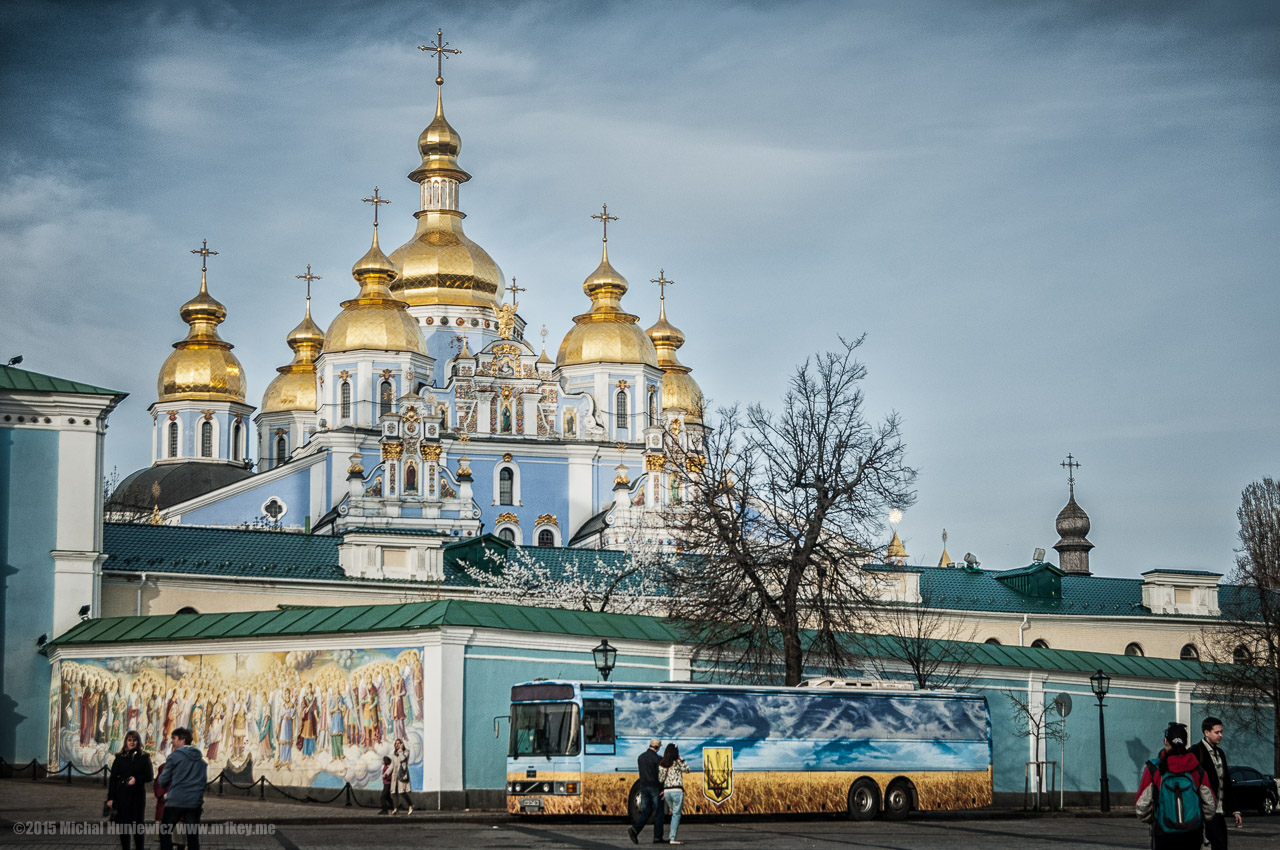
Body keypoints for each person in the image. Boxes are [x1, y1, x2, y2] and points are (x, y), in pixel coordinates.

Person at [1135, 722, 1216, 850]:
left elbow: (1141, 806)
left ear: (1166, 741)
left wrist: (1153, 819)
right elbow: (1210, 805)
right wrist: (1199, 818)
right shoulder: (1197, 769)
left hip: (1163, 832)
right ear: (1185, 742)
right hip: (1193, 833)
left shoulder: (1154, 769)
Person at [1191, 716, 1243, 849]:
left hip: (1218, 811)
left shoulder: (1220, 753)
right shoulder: (1195, 751)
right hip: (1201, 812)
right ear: (1206, 732)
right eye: (1217, 732)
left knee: (1221, 845)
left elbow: (1226, 783)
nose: (1221, 735)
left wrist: (1235, 810)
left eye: (1221, 731)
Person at [157, 727, 207, 850]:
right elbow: (203, 783)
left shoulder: (174, 757)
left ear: (182, 740)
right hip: (194, 802)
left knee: (164, 833)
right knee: (192, 837)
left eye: (174, 738)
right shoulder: (201, 761)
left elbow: (162, 780)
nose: (172, 741)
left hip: (176, 801)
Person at [107, 730, 154, 850]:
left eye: (134, 740)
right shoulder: (119, 758)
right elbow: (112, 780)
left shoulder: (144, 757)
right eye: (129, 740)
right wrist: (111, 798)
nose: (132, 742)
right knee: (124, 828)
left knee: (138, 827)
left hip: (137, 796)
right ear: (126, 742)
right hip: (122, 796)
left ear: (138, 742)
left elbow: (149, 776)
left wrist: (137, 779)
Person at [628, 738, 666, 845]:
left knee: (647, 811)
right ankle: (657, 837)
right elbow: (661, 776)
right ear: (658, 747)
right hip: (655, 788)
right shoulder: (658, 759)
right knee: (659, 812)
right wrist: (662, 789)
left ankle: (635, 830)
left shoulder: (641, 757)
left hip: (643, 787)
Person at [658, 744, 689, 846]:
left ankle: (672, 836)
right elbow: (688, 769)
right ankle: (672, 838)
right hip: (677, 791)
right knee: (676, 815)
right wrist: (681, 758)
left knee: (674, 814)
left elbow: (661, 779)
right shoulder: (677, 763)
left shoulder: (662, 763)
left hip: (667, 792)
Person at [389, 738, 414, 815]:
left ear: (402, 744)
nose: (397, 745)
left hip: (402, 774)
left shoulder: (406, 752)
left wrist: (400, 750)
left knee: (402, 792)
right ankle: (395, 808)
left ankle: (411, 804)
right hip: (395, 775)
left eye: (398, 743)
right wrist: (387, 773)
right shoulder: (393, 754)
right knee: (394, 792)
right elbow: (392, 765)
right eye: (395, 743)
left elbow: (403, 759)